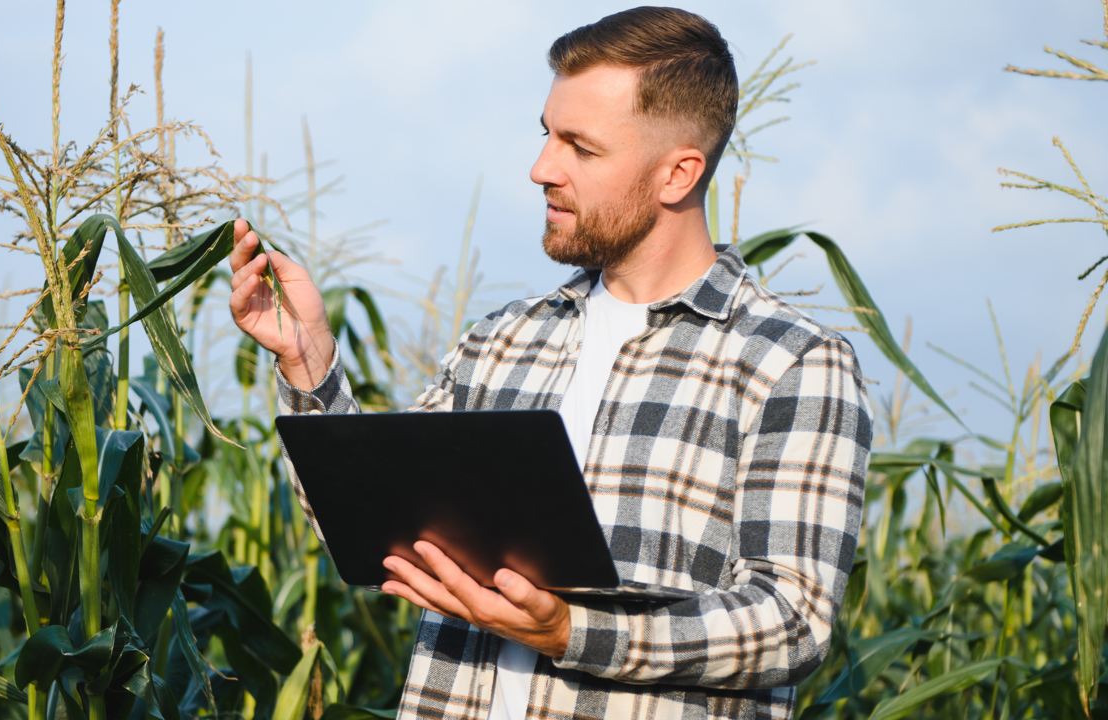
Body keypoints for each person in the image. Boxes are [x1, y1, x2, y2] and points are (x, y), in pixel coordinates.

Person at [229, 7, 871, 719]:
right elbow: (377, 531)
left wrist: (573, 633)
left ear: (678, 173)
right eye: (546, 134)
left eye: (581, 148)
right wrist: (309, 364)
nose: (541, 169)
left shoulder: (793, 365)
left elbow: (792, 622)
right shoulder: (502, 341)